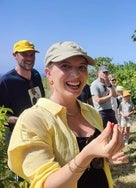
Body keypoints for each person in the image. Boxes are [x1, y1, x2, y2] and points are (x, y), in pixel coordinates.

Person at [8, 41, 128, 188]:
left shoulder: (90, 112)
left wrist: (109, 154)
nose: (76, 74)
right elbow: (46, 184)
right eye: (65, 66)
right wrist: (87, 154)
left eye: (82, 67)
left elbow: (98, 163)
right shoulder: (33, 120)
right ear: (48, 73)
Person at [0, 39, 45, 144]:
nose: (29, 58)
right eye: (24, 54)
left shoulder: (36, 75)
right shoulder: (7, 81)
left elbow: (41, 99)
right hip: (17, 137)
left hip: (38, 132)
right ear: (15, 55)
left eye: (32, 54)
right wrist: (18, 120)